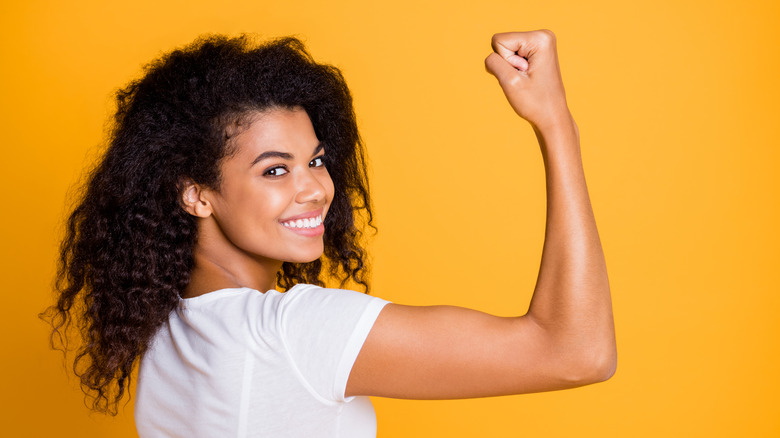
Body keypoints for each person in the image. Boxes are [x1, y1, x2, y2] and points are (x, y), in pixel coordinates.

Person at [43, 30, 616, 437]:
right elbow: (576, 353)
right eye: (274, 170)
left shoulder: (169, 326)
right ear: (196, 193)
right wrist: (554, 121)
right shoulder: (292, 332)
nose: (315, 188)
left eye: (315, 161)